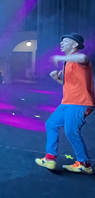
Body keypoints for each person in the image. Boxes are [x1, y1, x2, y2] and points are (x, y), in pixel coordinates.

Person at [36, 33, 94, 174]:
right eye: (61, 42)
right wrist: (56, 78)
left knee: (71, 131)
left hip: (80, 102)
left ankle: (84, 164)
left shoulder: (79, 59)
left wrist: (59, 57)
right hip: (67, 102)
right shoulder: (67, 63)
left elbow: (84, 57)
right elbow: (68, 85)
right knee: (51, 124)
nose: (61, 43)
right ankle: (49, 158)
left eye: (66, 41)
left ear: (75, 45)